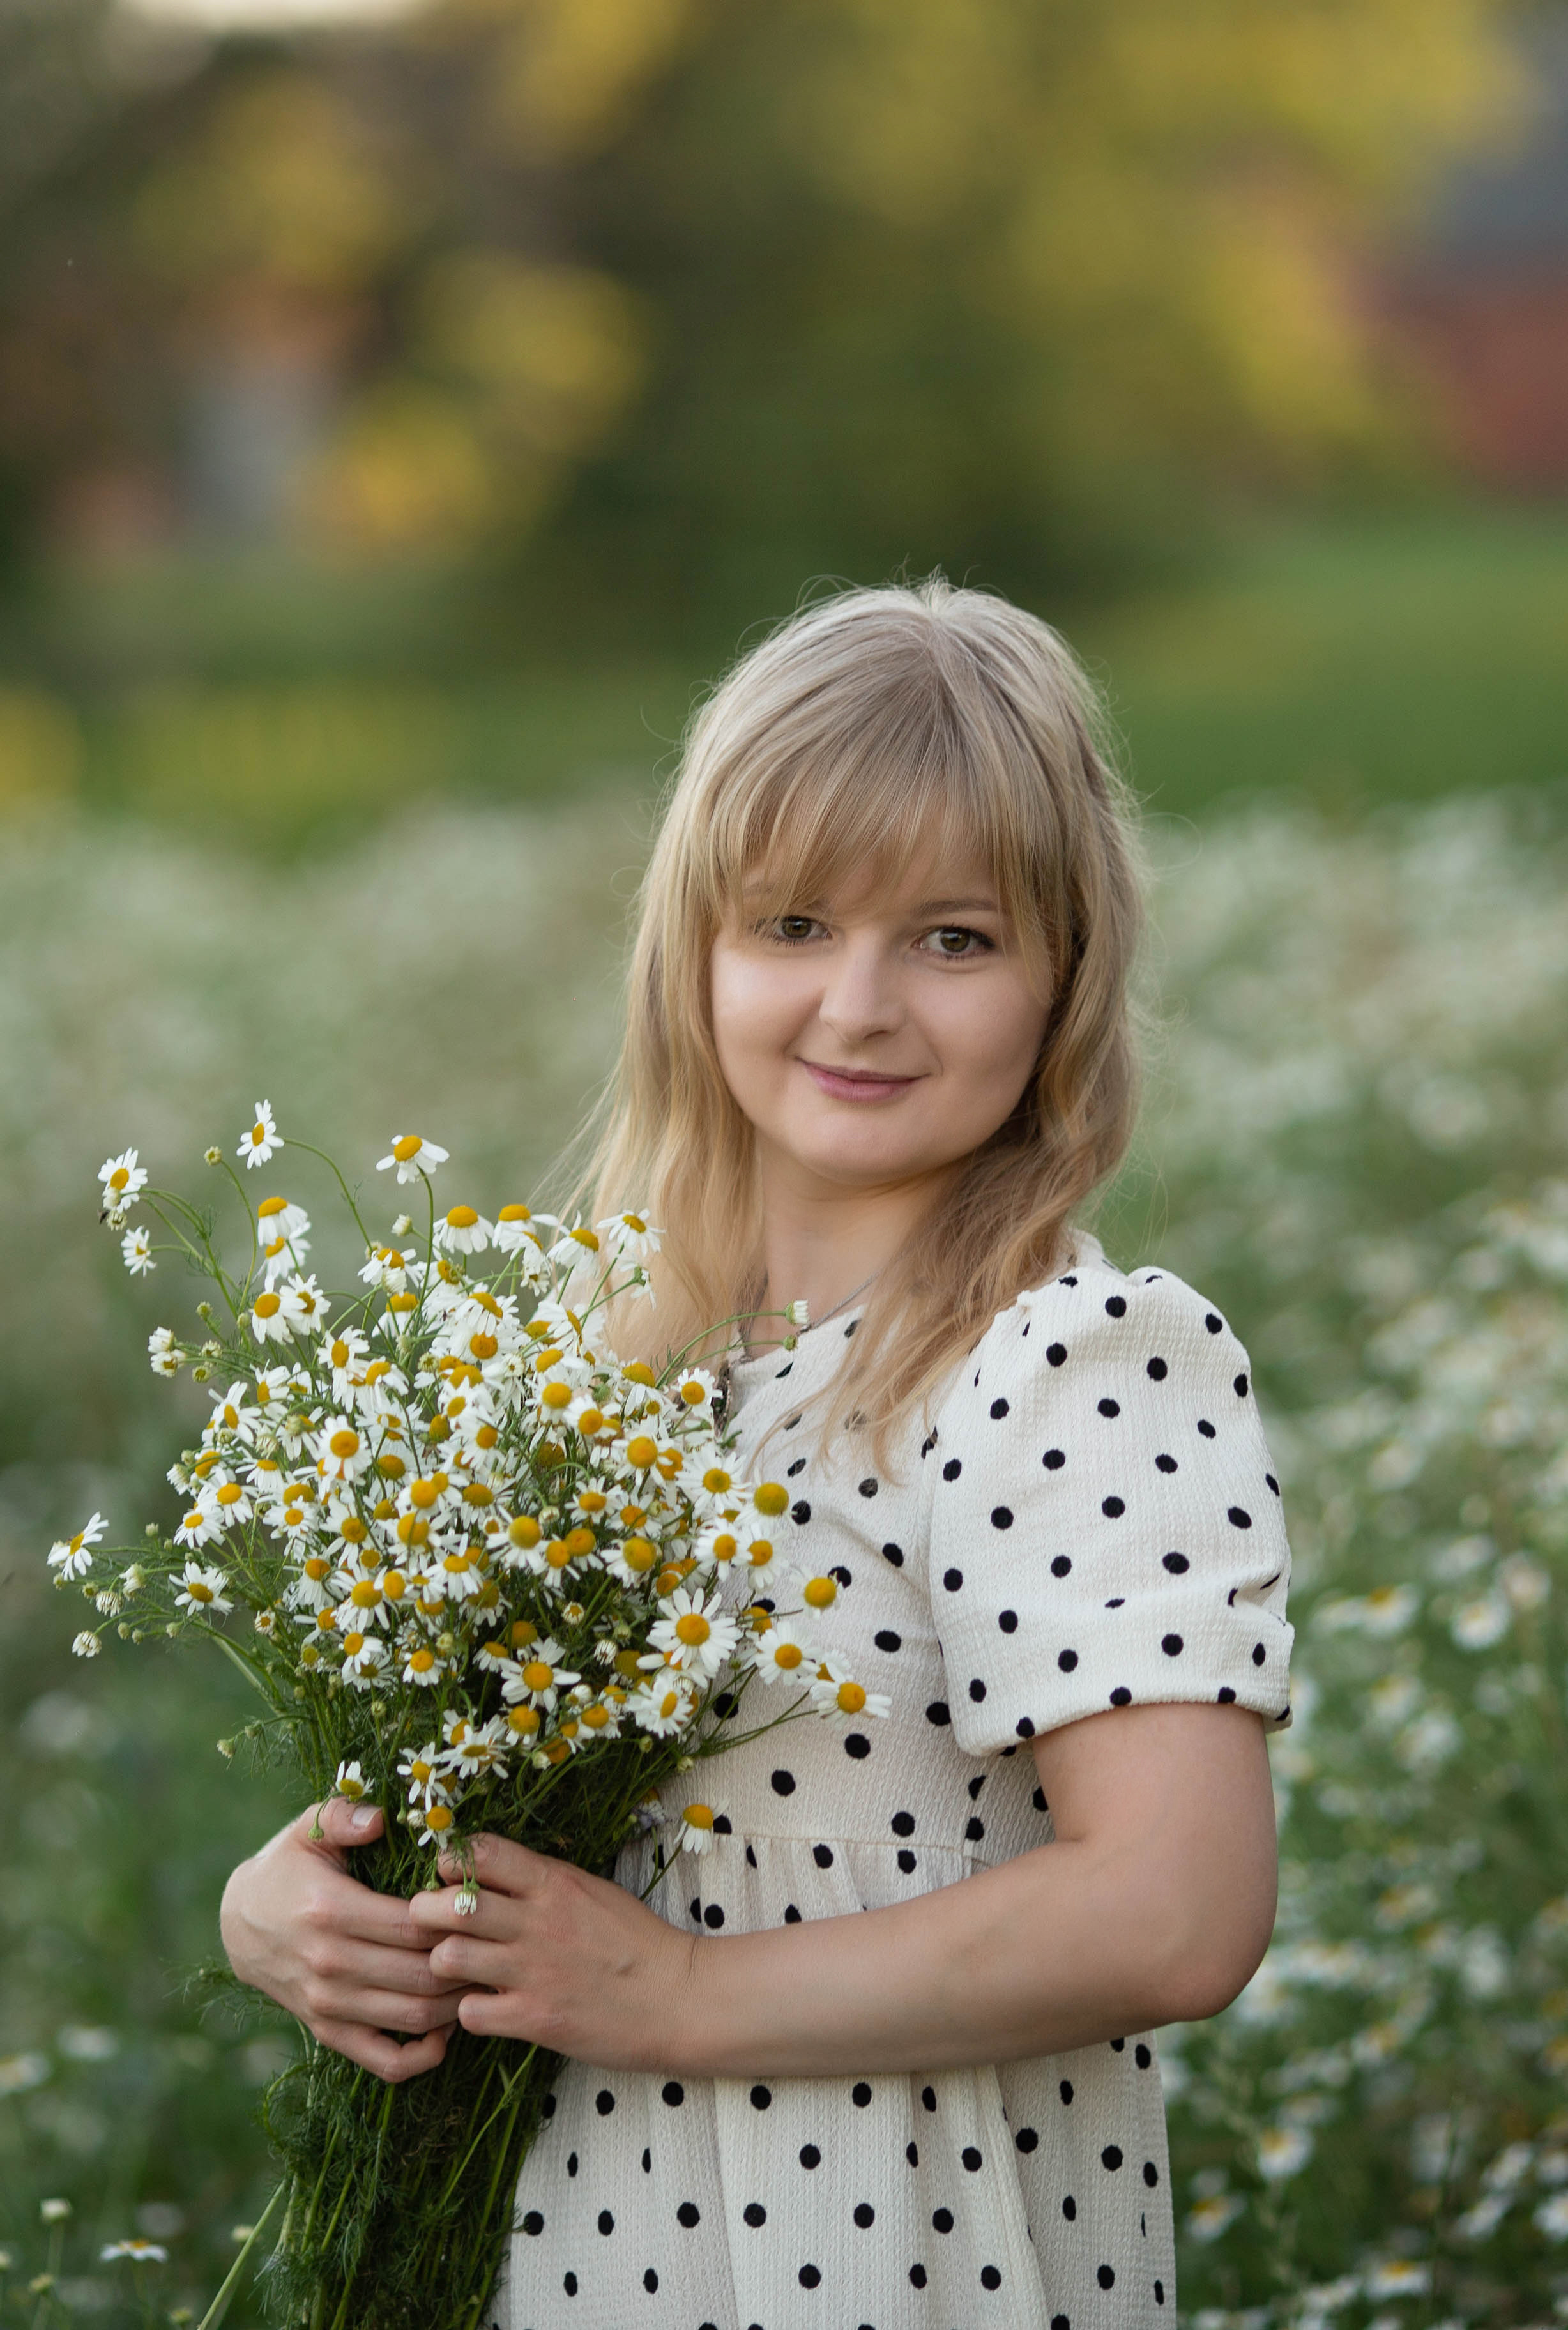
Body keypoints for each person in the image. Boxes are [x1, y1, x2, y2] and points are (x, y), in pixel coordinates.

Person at [221, 579, 1292, 2327]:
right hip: (575, 2249)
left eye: (954, 939)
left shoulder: (1062, 1359)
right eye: (791, 924)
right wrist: (298, 1907)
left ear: (1062, 980)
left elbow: (1177, 1911)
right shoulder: (613, 1366)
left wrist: (674, 2000)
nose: (859, 1005)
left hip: (885, 2258)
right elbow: (498, 1823)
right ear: (692, 950)